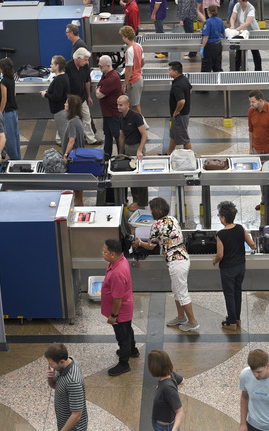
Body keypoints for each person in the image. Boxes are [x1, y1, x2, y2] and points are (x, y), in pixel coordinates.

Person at [134, 198, 200, 332]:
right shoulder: (172, 219)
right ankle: (181, 317)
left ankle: (192, 322)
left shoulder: (156, 225)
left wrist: (139, 243)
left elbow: (151, 246)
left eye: (151, 210)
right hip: (183, 258)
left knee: (182, 293)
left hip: (176, 262)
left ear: (155, 211)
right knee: (177, 291)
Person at [213, 201, 257, 331]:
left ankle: (231, 322)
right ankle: (237, 318)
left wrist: (215, 260)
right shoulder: (240, 228)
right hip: (241, 266)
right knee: (237, 291)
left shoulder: (220, 234)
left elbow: (220, 255)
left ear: (223, 218)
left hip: (228, 269)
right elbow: (252, 244)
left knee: (229, 294)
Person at [100, 238, 137, 376]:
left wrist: (113, 316)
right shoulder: (119, 261)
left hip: (120, 312)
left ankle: (124, 363)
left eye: (105, 251)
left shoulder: (118, 272)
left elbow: (117, 298)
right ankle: (133, 350)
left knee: (123, 337)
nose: (102, 253)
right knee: (127, 330)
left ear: (113, 254)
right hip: (125, 308)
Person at [45, 343, 88, 431]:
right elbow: (55, 386)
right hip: (65, 425)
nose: (50, 366)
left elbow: (77, 415)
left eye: (51, 363)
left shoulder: (73, 381)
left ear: (61, 361)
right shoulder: (68, 361)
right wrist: (50, 376)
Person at [118, 95, 149, 212]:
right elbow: (122, 136)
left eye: (121, 105)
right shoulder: (121, 118)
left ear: (128, 105)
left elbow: (144, 135)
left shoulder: (135, 116)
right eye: (117, 105)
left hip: (137, 148)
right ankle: (136, 200)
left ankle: (141, 203)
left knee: (140, 177)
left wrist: (140, 150)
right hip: (128, 148)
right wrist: (121, 153)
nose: (118, 107)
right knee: (132, 176)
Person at [66, 48, 101, 145]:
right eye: (85, 60)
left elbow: (87, 82)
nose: (87, 62)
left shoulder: (85, 67)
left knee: (87, 118)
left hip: (82, 98)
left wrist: (88, 96)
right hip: (71, 99)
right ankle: (62, 139)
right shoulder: (68, 67)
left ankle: (91, 139)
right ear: (78, 58)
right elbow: (65, 83)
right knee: (68, 119)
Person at [148, 349, 185, 431]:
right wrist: (172, 396)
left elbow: (180, 411)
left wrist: (174, 430)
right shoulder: (170, 374)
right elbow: (183, 381)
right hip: (160, 422)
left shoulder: (167, 387)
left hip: (165, 428)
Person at [120, 25, 149, 129]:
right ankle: (135, 123)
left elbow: (129, 69)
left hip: (133, 81)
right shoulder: (138, 46)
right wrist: (137, 69)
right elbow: (143, 62)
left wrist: (125, 84)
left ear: (126, 37)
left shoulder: (129, 50)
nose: (122, 38)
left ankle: (143, 124)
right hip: (139, 78)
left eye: (123, 36)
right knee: (133, 104)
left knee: (135, 105)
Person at [95, 55, 123, 159]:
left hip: (113, 113)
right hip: (107, 112)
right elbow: (98, 86)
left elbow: (99, 94)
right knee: (107, 133)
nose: (100, 68)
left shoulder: (112, 78)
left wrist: (98, 89)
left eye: (101, 66)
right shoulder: (105, 74)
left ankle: (121, 155)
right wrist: (99, 88)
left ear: (108, 66)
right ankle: (107, 154)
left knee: (117, 135)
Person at [41, 55, 70, 144]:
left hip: (60, 111)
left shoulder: (59, 80)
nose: (50, 65)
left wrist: (45, 95)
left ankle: (67, 152)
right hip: (63, 109)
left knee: (64, 136)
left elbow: (57, 97)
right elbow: (59, 91)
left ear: (57, 66)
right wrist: (49, 91)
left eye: (52, 64)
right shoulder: (64, 76)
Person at [167, 62, 193, 155]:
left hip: (180, 115)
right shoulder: (184, 79)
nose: (168, 71)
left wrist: (176, 112)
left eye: (170, 70)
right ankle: (169, 154)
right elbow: (190, 89)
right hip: (184, 113)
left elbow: (181, 101)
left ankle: (189, 157)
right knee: (174, 135)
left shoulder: (177, 85)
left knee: (184, 139)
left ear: (176, 72)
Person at [0, 59, 20, 160]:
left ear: (3, 68)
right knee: (15, 135)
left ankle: (14, 159)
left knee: (9, 138)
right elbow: (14, 93)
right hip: (14, 110)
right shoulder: (11, 79)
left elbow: (4, 99)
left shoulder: (3, 82)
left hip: (7, 113)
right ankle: (18, 157)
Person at [230, 0, 263, 71]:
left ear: (245, 1)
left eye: (240, 1)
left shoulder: (251, 8)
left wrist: (237, 29)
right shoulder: (237, 5)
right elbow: (233, 17)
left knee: (254, 51)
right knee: (239, 50)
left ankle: (258, 70)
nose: (239, 2)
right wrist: (232, 27)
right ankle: (236, 69)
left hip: (251, 31)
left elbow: (247, 23)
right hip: (241, 32)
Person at [201, 5, 224, 72]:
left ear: (208, 12)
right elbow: (223, 32)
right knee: (217, 66)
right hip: (218, 45)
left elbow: (206, 37)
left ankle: (206, 79)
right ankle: (218, 78)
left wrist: (202, 47)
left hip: (209, 47)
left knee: (206, 68)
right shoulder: (220, 20)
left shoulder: (207, 22)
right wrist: (224, 37)